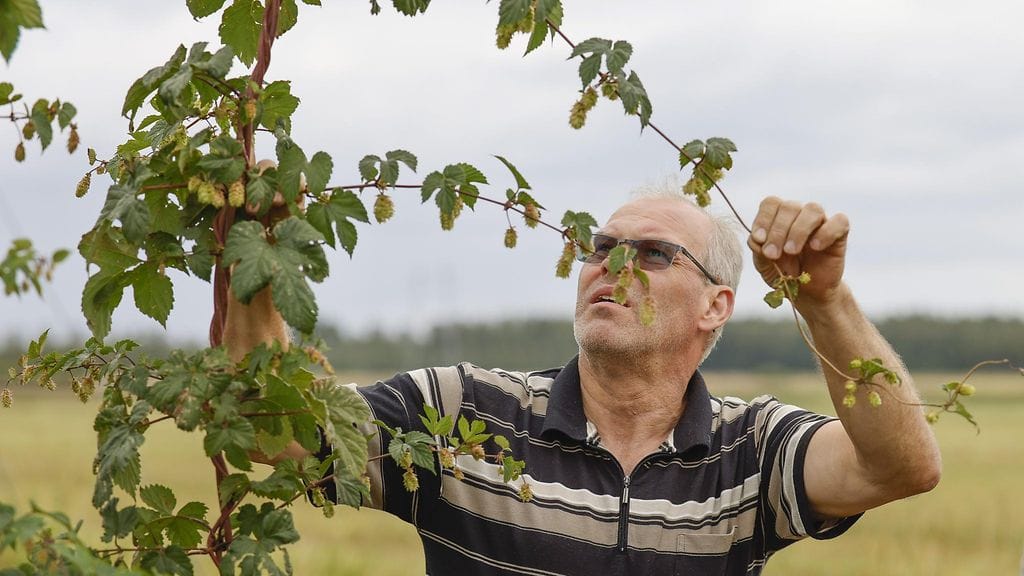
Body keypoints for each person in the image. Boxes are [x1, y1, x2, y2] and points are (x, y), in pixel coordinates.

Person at [230, 189, 941, 575]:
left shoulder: (750, 447)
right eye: (601, 250)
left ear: (716, 305)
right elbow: (275, 434)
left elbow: (900, 467)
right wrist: (251, 269)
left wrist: (822, 302)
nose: (613, 268)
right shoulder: (464, 413)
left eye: (654, 254)